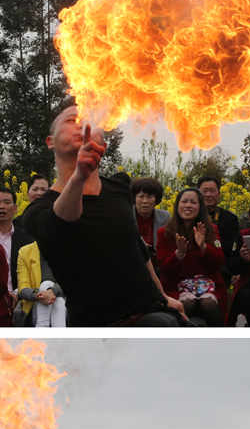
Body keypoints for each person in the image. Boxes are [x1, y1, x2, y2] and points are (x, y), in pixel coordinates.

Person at [22, 104, 183, 326]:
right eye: (71, 121)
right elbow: (62, 222)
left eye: (88, 120)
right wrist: (79, 176)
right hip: (99, 327)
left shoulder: (119, 189)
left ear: (103, 146)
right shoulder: (38, 211)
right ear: (50, 141)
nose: (81, 125)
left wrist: (162, 296)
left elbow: (137, 248)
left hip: (151, 312)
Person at [156, 187, 226, 325]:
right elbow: (163, 268)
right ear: (177, 206)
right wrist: (179, 254)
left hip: (208, 285)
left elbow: (219, 263)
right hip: (176, 286)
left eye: (193, 202)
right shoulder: (165, 232)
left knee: (208, 304)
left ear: (200, 207)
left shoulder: (211, 229)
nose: (188, 205)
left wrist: (203, 247)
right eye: (184, 202)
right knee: (186, 304)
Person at [0, 188, 33, 303]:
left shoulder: (26, 238)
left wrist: (17, 293)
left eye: (7, 202)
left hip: (21, 296)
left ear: (15, 209)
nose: (2, 206)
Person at [197, 175, 239, 281]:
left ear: (219, 194)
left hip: (222, 268)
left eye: (212, 191)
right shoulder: (191, 216)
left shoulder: (230, 218)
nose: (208, 195)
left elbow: (232, 248)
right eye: (205, 191)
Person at [15, 241, 67, 327]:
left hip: (62, 300)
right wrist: (40, 295)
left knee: (58, 300)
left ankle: (42, 327)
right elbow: (22, 289)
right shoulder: (25, 251)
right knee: (46, 286)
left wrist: (53, 291)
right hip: (35, 302)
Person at [131, 176, 170, 261]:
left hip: (157, 262)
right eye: (141, 196)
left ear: (156, 199)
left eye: (149, 197)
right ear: (134, 198)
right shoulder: (126, 216)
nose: (145, 201)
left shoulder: (165, 217)